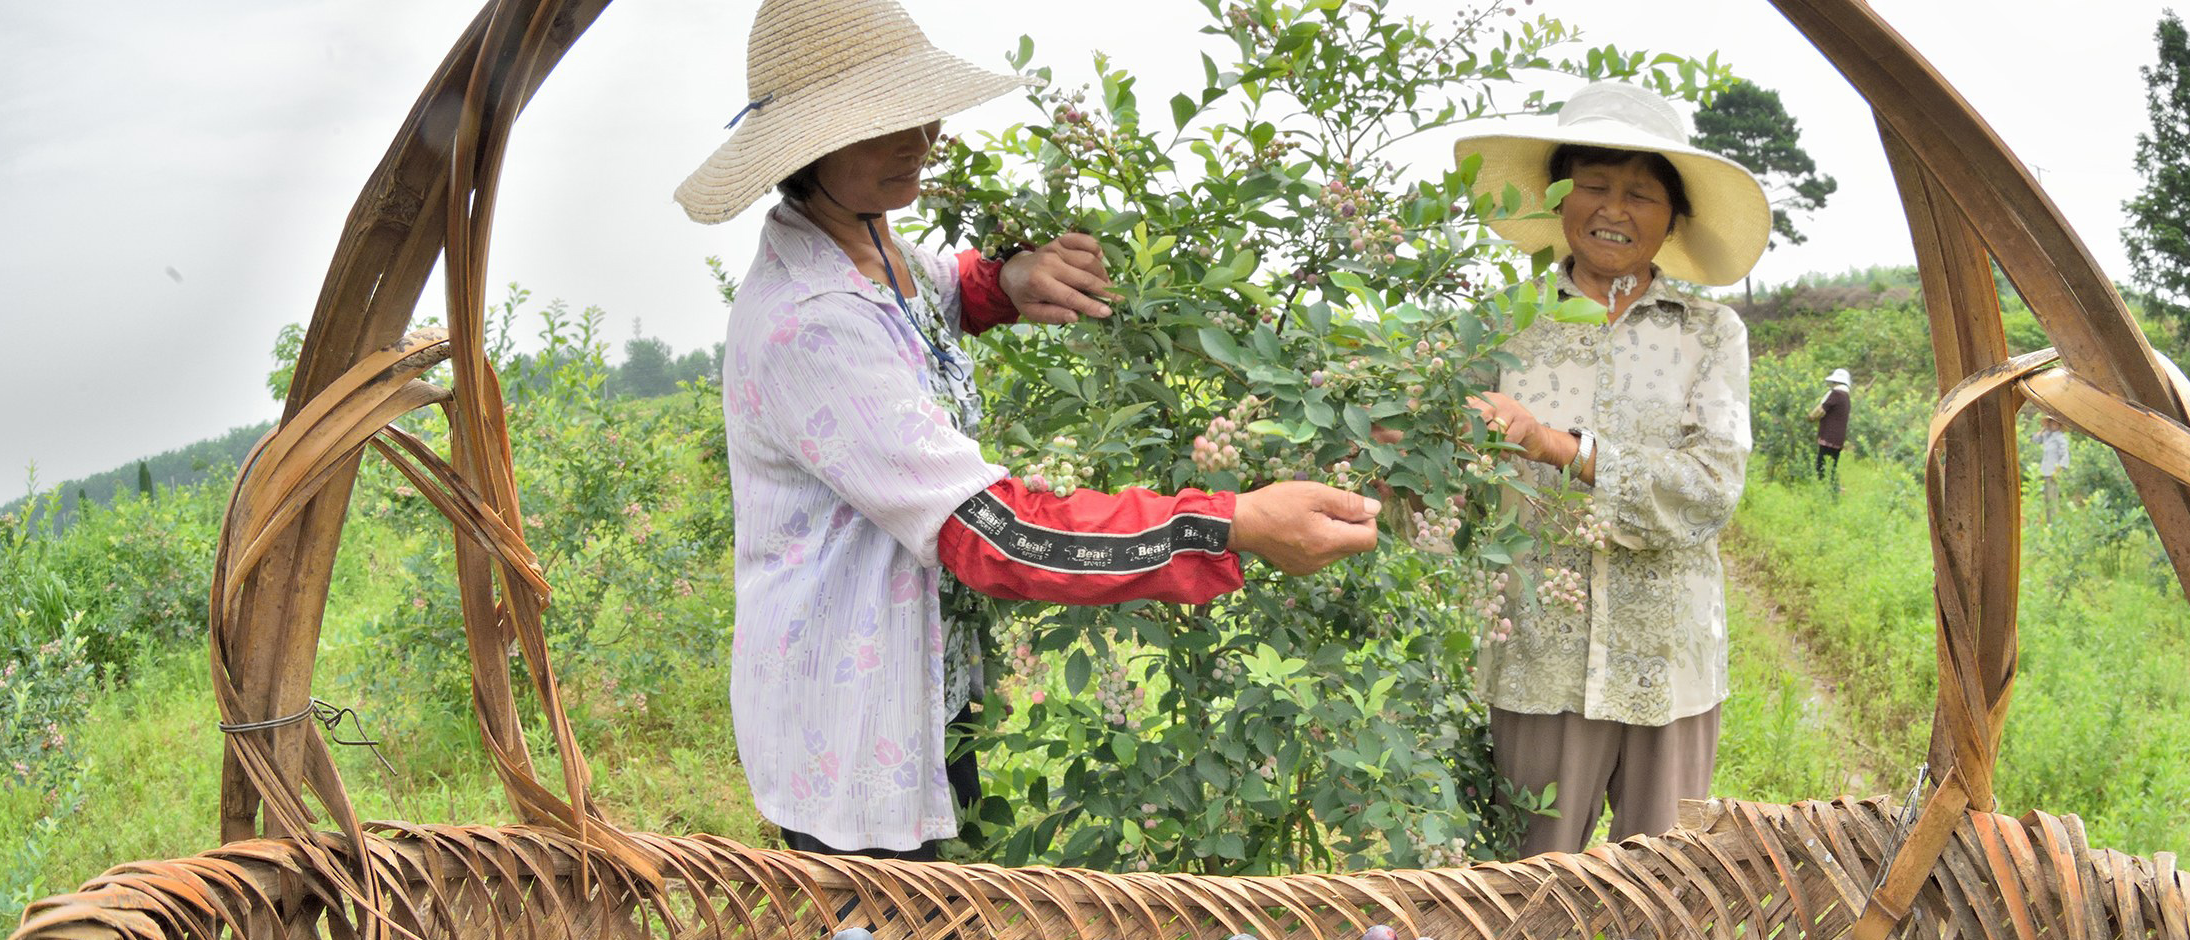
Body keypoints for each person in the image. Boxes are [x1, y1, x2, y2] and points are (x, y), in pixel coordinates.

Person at [675, 0, 1379, 860]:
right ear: (807, 150)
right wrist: (1233, 523)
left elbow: (929, 293)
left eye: (919, 108)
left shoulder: (860, 247)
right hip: (852, 718)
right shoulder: (815, 320)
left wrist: (1007, 281)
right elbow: (995, 535)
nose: (921, 137)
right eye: (881, 121)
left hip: (916, 680)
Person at [1452, 80, 1771, 857]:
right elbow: (1449, 487)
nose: (1613, 208)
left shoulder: (1710, 335)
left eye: (1639, 193)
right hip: (1535, 658)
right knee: (1523, 901)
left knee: (1665, 898)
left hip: (1670, 665)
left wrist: (1561, 447)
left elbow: (1709, 490)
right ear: (1559, 198)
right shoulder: (1500, 327)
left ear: (1673, 217)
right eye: (1593, 184)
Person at [1810, 367, 1853, 488]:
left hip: (1828, 437)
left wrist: (1810, 418)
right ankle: (1833, 492)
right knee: (1831, 467)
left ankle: (1829, 492)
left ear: (1836, 382)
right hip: (1839, 438)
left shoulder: (1836, 394)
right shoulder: (1846, 397)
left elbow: (1820, 411)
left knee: (1822, 468)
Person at [2033, 411, 2072, 520]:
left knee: (2052, 498)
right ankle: (2050, 520)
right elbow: (2035, 440)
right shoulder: (2047, 435)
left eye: (2054, 423)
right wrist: (2043, 429)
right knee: (2047, 498)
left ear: (2059, 425)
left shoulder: (2061, 438)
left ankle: (2053, 521)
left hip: (2054, 472)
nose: (2052, 425)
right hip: (2046, 471)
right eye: (2050, 422)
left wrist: (2058, 470)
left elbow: (2065, 455)